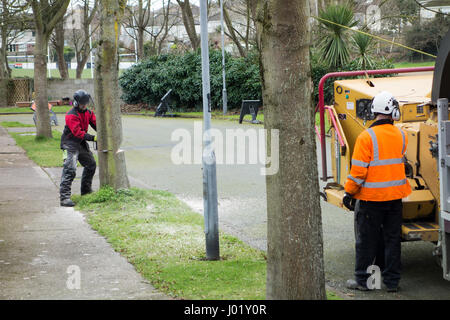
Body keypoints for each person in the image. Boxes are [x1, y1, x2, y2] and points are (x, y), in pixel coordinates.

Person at [343, 91, 412, 292]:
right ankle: (392, 282)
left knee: (366, 241)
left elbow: (358, 172)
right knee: (392, 240)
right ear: (393, 112)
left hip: (371, 200)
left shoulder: (365, 137)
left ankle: (362, 281)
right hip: (395, 199)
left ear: (374, 111)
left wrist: (349, 193)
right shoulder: (401, 135)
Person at [59, 89, 97, 207]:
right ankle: (64, 198)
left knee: (91, 164)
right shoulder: (71, 115)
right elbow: (77, 132)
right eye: (82, 104)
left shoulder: (88, 113)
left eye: (86, 104)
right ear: (76, 103)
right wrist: (93, 138)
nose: (84, 106)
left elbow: (96, 123)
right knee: (70, 169)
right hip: (69, 144)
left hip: (80, 144)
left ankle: (86, 191)